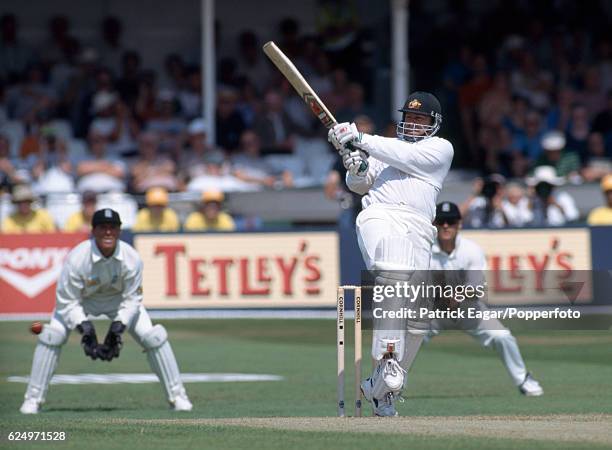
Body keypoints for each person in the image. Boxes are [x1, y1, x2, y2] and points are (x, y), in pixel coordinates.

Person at [327, 91, 454, 416]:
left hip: (420, 229)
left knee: (418, 319)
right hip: (380, 216)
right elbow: (359, 185)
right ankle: (386, 358)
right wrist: (354, 165)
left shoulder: (440, 149)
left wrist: (358, 139)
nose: (412, 124)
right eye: (409, 118)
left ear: (433, 124)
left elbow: (405, 157)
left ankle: (380, 390)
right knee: (393, 271)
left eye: (420, 119)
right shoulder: (383, 147)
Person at [19, 208, 192, 414]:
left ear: (119, 231)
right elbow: (67, 301)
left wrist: (118, 327)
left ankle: (178, 397)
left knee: (153, 337)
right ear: (94, 231)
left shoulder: (131, 258)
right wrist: (85, 329)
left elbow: (132, 299)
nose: (108, 232)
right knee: (51, 337)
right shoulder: (77, 258)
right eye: (102, 228)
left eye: (113, 228)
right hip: (82, 301)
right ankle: (32, 400)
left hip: (117, 301)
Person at [426, 202, 543, 395]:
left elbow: (477, 287)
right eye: (441, 221)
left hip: (469, 309)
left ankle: (523, 380)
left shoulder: (471, 250)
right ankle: (392, 387)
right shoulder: (425, 250)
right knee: (406, 337)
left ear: (459, 224)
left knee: (503, 337)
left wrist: (460, 295)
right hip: (434, 311)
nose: (446, 226)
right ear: (434, 224)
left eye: (451, 221)